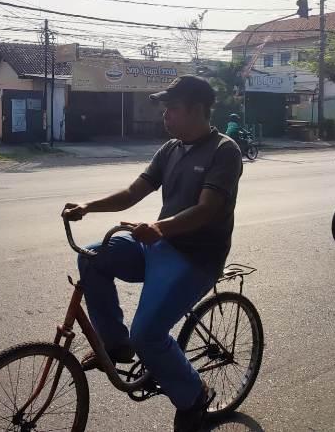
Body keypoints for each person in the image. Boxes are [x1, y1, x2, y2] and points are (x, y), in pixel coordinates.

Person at [62, 75, 243, 432]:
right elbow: (133, 192)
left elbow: (208, 209)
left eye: (171, 109)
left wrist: (159, 228)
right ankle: (116, 346)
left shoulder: (224, 150)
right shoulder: (171, 149)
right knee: (92, 256)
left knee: (149, 334)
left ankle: (195, 395)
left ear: (196, 110)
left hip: (195, 257)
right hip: (158, 244)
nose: (165, 116)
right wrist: (88, 206)